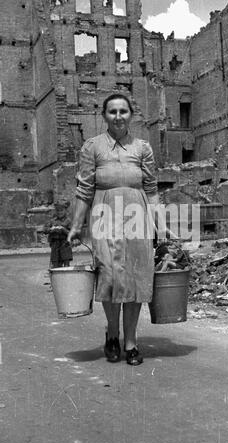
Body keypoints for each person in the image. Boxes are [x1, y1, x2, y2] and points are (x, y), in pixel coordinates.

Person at [67, 94, 175, 366]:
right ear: (104, 115)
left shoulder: (142, 148)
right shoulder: (92, 147)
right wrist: (76, 225)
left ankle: (131, 341)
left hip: (137, 214)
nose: (118, 116)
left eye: (123, 111)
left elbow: (151, 191)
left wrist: (160, 225)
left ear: (131, 115)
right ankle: (112, 334)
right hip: (104, 213)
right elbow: (83, 190)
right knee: (110, 276)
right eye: (112, 111)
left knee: (136, 278)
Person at [45, 202, 73, 268]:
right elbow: (44, 229)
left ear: (66, 211)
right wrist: (51, 229)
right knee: (55, 262)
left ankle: (66, 274)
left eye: (61, 210)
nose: (59, 212)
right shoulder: (52, 221)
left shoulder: (68, 221)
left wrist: (64, 230)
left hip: (65, 244)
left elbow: (72, 233)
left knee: (66, 262)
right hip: (55, 244)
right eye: (57, 210)